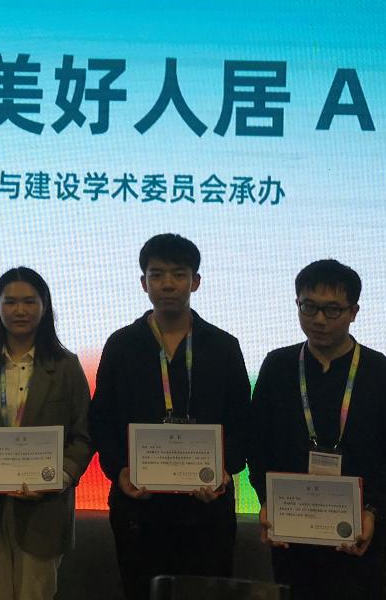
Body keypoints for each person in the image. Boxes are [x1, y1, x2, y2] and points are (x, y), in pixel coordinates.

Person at [89, 234, 251, 600]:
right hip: (139, 508)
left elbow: (243, 421)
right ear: (143, 282)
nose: (167, 284)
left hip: (206, 508)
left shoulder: (223, 346)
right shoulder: (121, 344)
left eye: (178, 274)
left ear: (195, 281)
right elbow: (101, 418)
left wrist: (225, 469)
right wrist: (120, 470)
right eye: (157, 274)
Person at [249, 259, 386, 600]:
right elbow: (258, 444)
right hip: (292, 530)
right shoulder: (278, 366)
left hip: (358, 533)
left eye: (332, 310)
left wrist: (373, 510)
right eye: (309, 307)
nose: (319, 319)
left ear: (354, 311)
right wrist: (266, 499)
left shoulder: (385, 375)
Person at [0, 267, 93, 600]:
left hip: (43, 511)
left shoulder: (66, 366)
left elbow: (84, 435)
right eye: (10, 302)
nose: (20, 310)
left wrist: (59, 477)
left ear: (45, 306)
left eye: (30, 301)